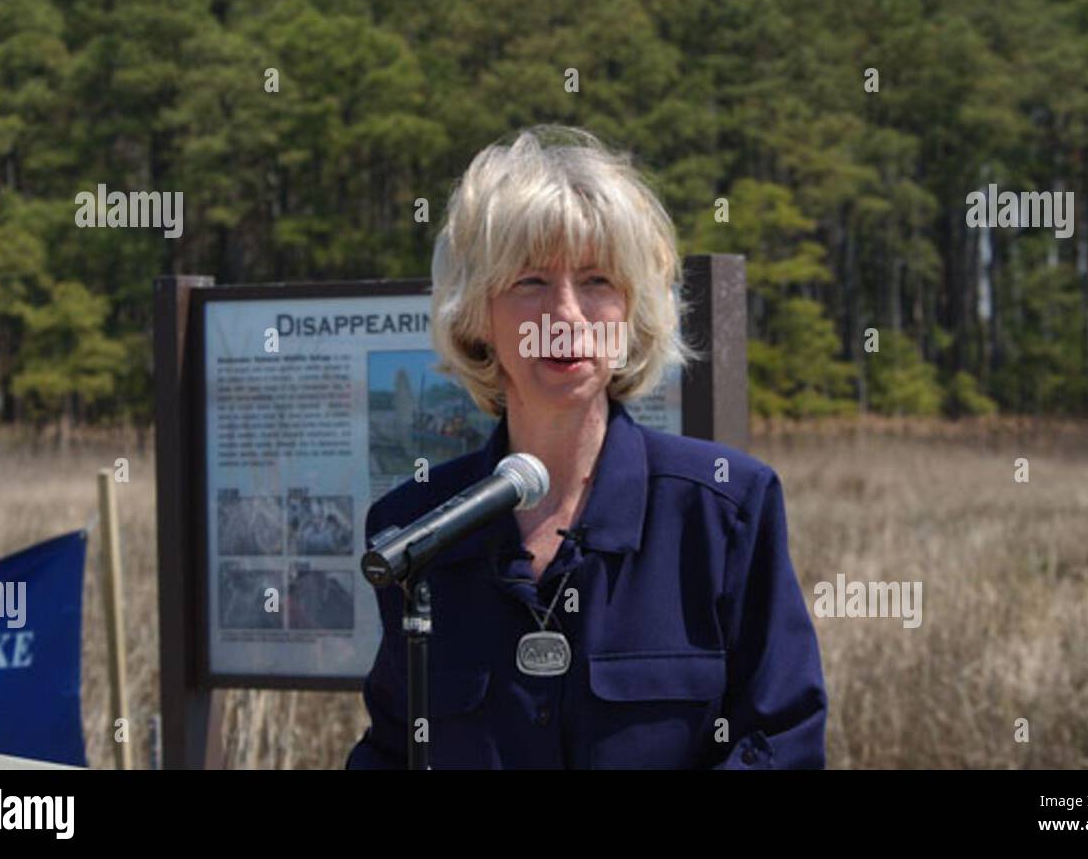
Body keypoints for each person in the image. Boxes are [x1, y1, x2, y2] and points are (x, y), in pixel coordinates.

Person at [346, 124, 826, 769]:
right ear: (476, 315)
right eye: (529, 282)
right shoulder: (416, 528)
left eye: (597, 280)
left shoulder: (725, 510)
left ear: (634, 311)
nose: (565, 314)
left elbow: (782, 742)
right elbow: (394, 748)